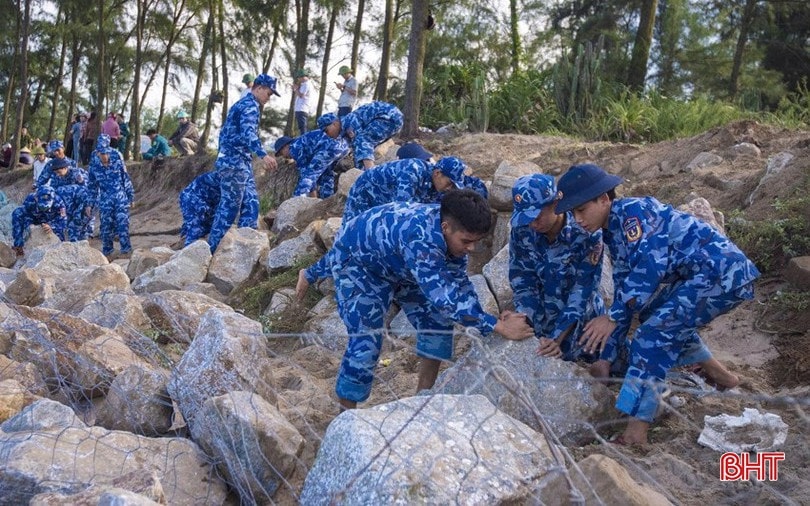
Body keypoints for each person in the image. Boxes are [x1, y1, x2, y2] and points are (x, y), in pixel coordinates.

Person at [555, 163, 760, 445]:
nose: (577, 219)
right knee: (653, 314)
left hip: (722, 274)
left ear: (603, 199)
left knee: (651, 337)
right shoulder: (613, 231)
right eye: (572, 213)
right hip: (705, 277)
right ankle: (722, 377)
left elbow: (650, 269)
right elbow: (625, 290)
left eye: (581, 210)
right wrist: (605, 359)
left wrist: (611, 317)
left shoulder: (633, 215)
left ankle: (635, 432)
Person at [329, 190, 534, 409]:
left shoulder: (450, 236)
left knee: (437, 323)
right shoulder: (421, 238)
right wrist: (498, 326)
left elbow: (459, 283)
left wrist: (489, 319)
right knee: (366, 340)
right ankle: (346, 415)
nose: (471, 248)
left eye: (477, 242)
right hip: (359, 265)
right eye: (466, 241)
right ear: (446, 228)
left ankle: (423, 401)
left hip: (401, 262)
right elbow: (444, 298)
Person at [297, 153, 470, 299]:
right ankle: (309, 275)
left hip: (385, 202)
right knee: (351, 242)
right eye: (450, 183)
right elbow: (401, 215)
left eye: (454, 186)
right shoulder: (412, 171)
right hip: (365, 196)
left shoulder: (437, 186)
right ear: (438, 173)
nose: (450, 188)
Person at [508, 173, 605, 362]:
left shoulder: (586, 232)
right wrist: (525, 320)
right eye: (526, 218)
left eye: (537, 216)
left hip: (581, 321)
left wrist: (557, 337)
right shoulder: (522, 231)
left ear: (555, 203)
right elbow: (523, 281)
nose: (532, 224)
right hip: (541, 318)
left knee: (604, 363)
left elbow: (582, 291)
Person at [207, 73, 280, 253]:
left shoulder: (246, 104)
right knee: (229, 207)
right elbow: (248, 133)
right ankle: (211, 250)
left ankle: (246, 249)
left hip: (240, 161)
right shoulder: (249, 106)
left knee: (251, 202)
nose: (269, 98)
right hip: (234, 162)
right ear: (259, 88)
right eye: (269, 93)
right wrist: (263, 155)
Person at [273, 113, 350, 199]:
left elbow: (307, 174)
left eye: (281, 153)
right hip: (343, 147)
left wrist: (312, 199)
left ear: (285, 147)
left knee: (308, 175)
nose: (283, 157)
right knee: (326, 175)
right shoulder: (303, 140)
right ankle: (328, 201)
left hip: (330, 147)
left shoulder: (294, 148)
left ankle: (297, 201)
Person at [87, 134, 134, 258]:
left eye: (106, 153)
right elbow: (92, 186)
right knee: (106, 227)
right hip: (105, 198)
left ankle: (126, 251)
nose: (104, 156)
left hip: (120, 197)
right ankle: (108, 252)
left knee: (123, 224)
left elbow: (125, 178)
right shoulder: (94, 163)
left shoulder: (117, 156)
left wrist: (130, 196)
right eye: (101, 154)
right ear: (98, 153)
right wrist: (89, 204)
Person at [396, 142, 489, 199]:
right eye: (422, 161)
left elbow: (475, 184)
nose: (426, 164)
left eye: (427, 160)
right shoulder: (407, 184)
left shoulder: (445, 174)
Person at [340, 101, 404, 169]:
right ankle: (364, 169)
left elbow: (361, 141)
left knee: (363, 140)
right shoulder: (348, 121)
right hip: (394, 117)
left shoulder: (348, 123)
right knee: (364, 142)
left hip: (388, 116)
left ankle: (369, 171)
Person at [11, 185, 68, 257]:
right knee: (17, 212)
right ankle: (18, 246)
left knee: (59, 242)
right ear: (36, 198)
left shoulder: (59, 202)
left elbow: (63, 221)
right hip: (35, 219)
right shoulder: (30, 199)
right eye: (42, 206)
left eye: (46, 206)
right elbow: (25, 214)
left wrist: (52, 226)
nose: (44, 208)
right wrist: (29, 225)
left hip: (50, 221)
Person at [293, 69, 312, 135]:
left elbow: (301, 95)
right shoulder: (304, 84)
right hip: (300, 108)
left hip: (302, 108)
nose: (299, 79)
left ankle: (304, 139)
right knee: (301, 127)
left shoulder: (306, 84)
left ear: (303, 77)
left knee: (303, 128)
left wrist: (295, 89)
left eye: (299, 77)